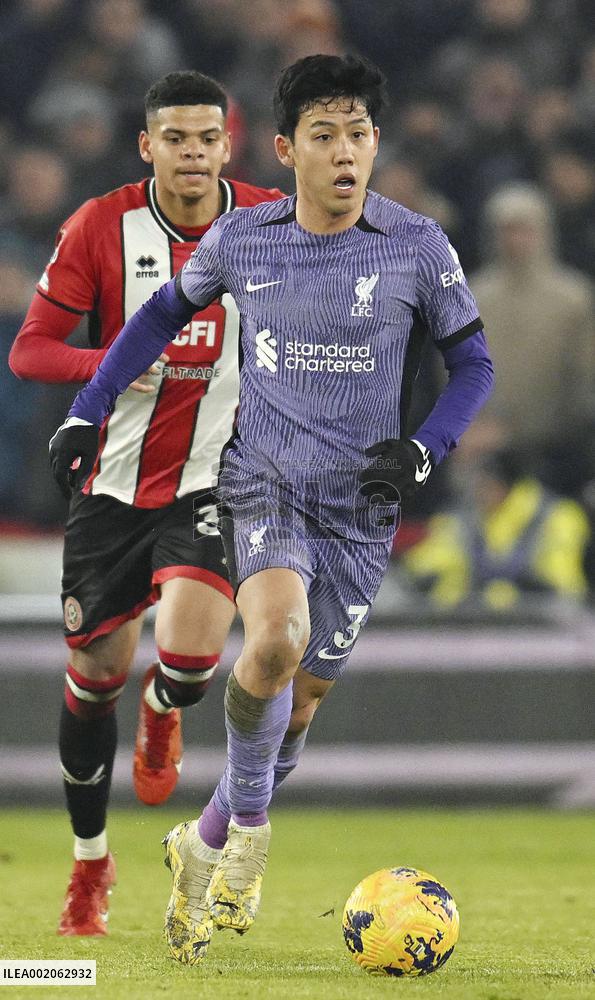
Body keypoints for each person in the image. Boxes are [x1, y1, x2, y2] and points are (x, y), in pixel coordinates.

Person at [48, 54, 494, 964]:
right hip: (262, 483)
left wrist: (420, 448)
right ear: (286, 149)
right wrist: (88, 406)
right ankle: (248, 836)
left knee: (294, 708)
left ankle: (203, 837)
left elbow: (473, 365)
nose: (344, 152)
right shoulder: (245, 238)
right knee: (276, 639)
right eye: (324, 135)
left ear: (376, 145)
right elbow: (156, 317)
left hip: (359, 507)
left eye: (359, 134)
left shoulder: (415, 245)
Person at [9, 70, 283, 937]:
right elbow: (31, 350)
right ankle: (90, 865)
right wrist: (115, 364)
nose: (193, 154)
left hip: (213, 476)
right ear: (147, 146)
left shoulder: (268, 222)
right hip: (111, 485)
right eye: (176, 138)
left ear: (226, 144)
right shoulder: (101, 225)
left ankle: (164, 711)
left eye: (207, 137)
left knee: (192, 658)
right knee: (93, 678)